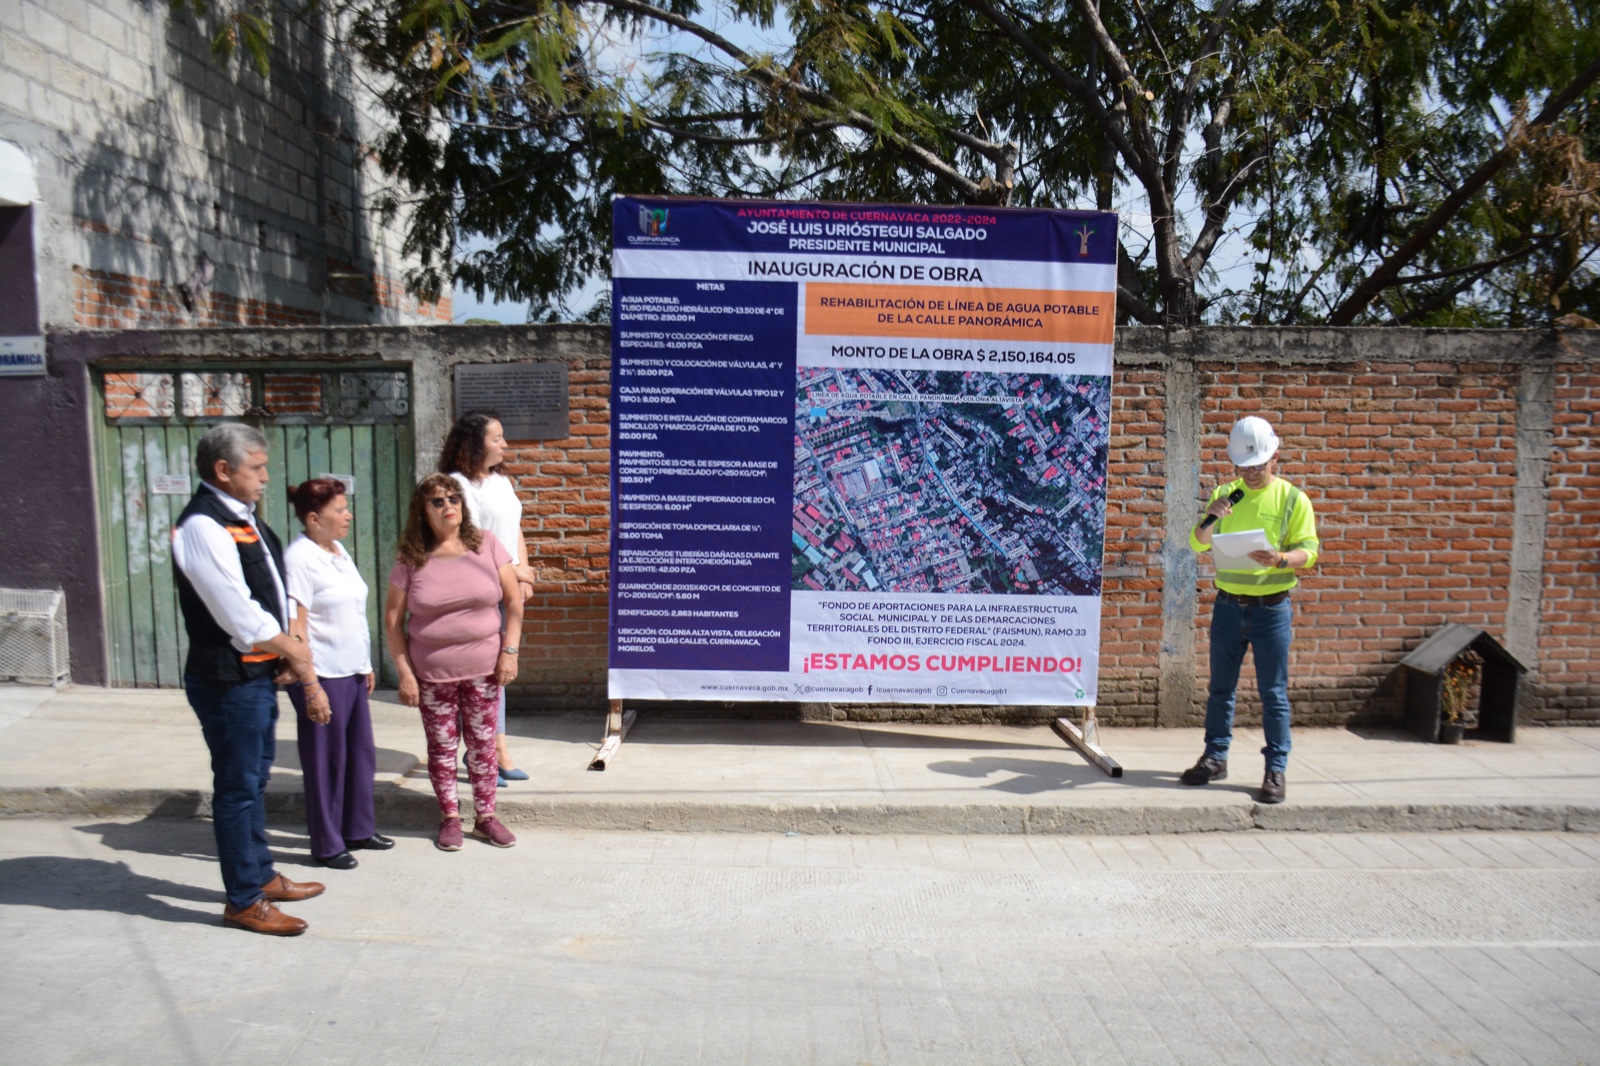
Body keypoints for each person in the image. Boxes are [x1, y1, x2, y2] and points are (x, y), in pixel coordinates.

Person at [172, 423, 330, 936]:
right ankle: (243, 900)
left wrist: (281, 649)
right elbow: (237, 612)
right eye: (257, 468)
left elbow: (269, 590)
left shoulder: (243, 518)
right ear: (224, 470)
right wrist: (294, 652)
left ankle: (260, 876)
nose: (265, 477)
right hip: (227, 680)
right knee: (237, 789)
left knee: (255, 781)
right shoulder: (203, 525)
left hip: (255, 674)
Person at [1181, 415, 1321, 805]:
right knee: (1220, 690)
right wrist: (1211, 518)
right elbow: (1197, 543)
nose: (1252, 473)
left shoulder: (1293, 499)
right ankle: (1215, 757)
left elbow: (1310, 552)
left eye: (1258, 465)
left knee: (1273, 693)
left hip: (1271, 611)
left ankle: (1275, 768)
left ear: (1275, 457)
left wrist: (1281, 558)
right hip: (1228, 607)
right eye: (1244, 467)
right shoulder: (1226, 494)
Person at [385, 473, 523, 850]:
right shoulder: (411, 557)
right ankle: (449, 817)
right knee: (442, 747)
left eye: (453, 498)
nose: (448, 506)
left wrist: (510, 652)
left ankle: (486, 817)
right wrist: (405, 674)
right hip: (433, 674)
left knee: (483, 745)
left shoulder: (486, 544)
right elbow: (393, 621)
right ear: (422, 511)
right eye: (438, 501)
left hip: (485, 670)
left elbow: (514, 601)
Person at [283, 478, 394, 870]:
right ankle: (327, 845)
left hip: (351, 670)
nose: (348, 516)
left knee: (360, 756)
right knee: (326, 762)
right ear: (314, 518)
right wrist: (310, 684)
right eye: (340, 510)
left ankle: (357, 829)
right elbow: (296, 625)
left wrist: (365, 664)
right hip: (322, 673)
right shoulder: (299, 559)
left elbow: (351, 612)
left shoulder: (337, 550)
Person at [439, 411, 537, 786]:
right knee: (481, 675)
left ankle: (497, 749)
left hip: (507, 586)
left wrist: (523, 573)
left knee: (499, 672)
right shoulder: (457, 485)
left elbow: (515, 531)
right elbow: (470, 542)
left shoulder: (501, 482)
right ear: (474, 443)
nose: (505, 444)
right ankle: (484, 752)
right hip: (476, 589)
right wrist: (514, 575)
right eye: (497, 438)